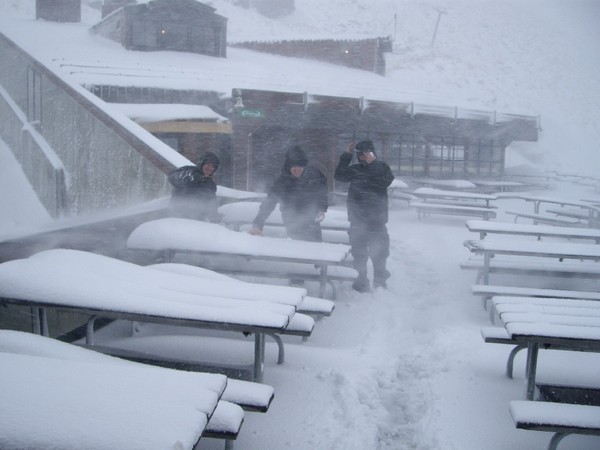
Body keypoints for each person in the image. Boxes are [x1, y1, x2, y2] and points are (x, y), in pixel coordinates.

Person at [334, 139, 394, 292]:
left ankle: (380, 282)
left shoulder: (382, 167)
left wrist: (373, 163)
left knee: (380, 253)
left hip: (377, 221)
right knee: (359, 254)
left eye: (367, 153)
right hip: (357, 220)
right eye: (360, 153)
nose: (363, 156)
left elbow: (387, 181)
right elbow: (339, 175)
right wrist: (346, 155)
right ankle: (361, 282)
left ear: (373, 153)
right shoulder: (355, 170)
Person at [249, 145, 328, 242]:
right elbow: (269, 202)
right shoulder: (282, 182)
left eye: (300, 167)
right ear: (288, 167)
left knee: (315, 246)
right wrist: (258, 224)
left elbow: (322, 189)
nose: (297, 171)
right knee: (297, 245)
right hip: (291, 218)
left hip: (311, 217)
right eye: (294, 168)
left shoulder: (313, 174)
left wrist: (322, 207)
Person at [167, 151, 221, 222]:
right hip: (178, 217)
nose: (210, 168)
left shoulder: (210, 185)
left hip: (198, 221)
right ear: (201, 164)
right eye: (208, 164)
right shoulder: (189, 171)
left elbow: (211, 204)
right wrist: (186, 177)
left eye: (213, 166)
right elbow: (172, 177)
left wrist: (215, 217)